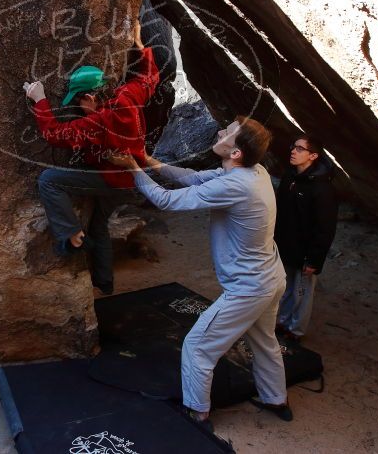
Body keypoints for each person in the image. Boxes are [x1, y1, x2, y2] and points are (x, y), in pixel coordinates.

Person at [108, 116, 293, 427]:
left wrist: (133, 170)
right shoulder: (254, 171)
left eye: (228, 133)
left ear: (235, 153)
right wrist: (149, 161)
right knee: (264, 340)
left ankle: (198, 412)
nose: (220, 131)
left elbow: (165, 200)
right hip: (272, 277)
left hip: (249, 288)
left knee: (197, 346)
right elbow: (195, 179)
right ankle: (276, 400)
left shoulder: (235, 185)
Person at [24, 20, 159, 295]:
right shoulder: (128, 95)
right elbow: (149, 79)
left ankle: (71, 234)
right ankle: (105, 282)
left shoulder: (96, 122)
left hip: (111, 179)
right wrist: (139, 46)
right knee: (100, 225)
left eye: (78, 102)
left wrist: (39, 100)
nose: (78, 108)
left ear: (89, 97)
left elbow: (55, 134)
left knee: (49, 180)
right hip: (133, 178)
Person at [274, 135, 338, 342]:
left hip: (305, 251)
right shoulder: (290, 177)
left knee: (302, 292)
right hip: (285, 245)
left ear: (313, 155)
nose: (293, 151)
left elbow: (325, 227)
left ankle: (296, 330)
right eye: (294, 147)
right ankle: (282, 322)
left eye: (300, 149)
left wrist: (314, 260)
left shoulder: (322, 189)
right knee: (284, 287)